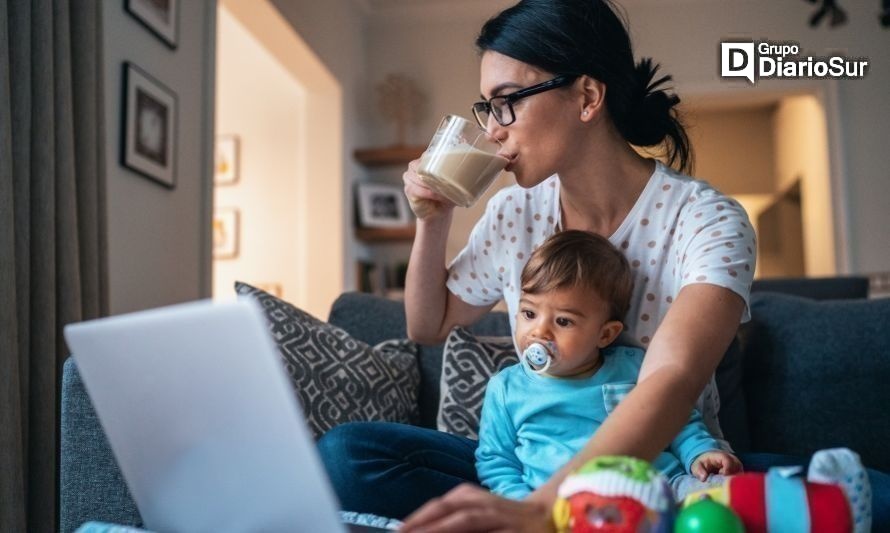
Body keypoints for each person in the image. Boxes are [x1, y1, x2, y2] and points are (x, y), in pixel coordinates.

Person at [317, 0, 890, 530]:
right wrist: (432, 219)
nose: (493, 129)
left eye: (507, 101)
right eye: (486, 107)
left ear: (588, 97)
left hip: (667, 469)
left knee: (873, 496)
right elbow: (426, 326)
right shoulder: (513, 212)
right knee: (348, 456)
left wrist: (546, 510)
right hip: (535, 470)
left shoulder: (706, 219)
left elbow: (669, 380)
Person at [476, 230, 742, 501]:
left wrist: (700, 452)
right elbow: (497, 463)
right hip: (560, 507)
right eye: (529, 314)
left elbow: (677, 421)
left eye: (563, 321)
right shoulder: (506, 389)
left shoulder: (635, 367)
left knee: (724, 496)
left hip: (660, 488)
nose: (539, 331)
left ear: (605, 335)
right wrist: (522, 507)